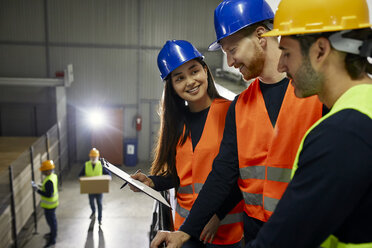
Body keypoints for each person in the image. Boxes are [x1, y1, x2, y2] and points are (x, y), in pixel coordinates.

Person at [150, 0, 326, 247]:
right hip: (257, 234)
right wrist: (186, 230)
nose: (230, 62)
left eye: (232, 50)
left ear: (261, 35)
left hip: (308, 230)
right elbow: (223, 174)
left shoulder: (316, 93)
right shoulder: (241, 106)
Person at [243, 0, 372, 247]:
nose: (281, 65)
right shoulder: (364, 111)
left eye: (287, 53)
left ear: (320, 51)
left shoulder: (342, 134)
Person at [130, 39, 244, 247]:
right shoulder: (176, 122)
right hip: (185, 231)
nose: (190, 81)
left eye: (194, 71)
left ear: (205, 70)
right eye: (179, 78)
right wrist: (151, 181)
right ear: (172, 86)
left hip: (223, 230)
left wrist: (217, 214)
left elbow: (241, 173)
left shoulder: (232, 111)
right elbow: (181, 175)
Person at [79, 148, 110, 225]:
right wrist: (81, 179)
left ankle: (100, 219)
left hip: (99, 189)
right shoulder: (86, 165)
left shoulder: (101, 165)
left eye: (95, 157)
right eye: (92, 157)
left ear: (97, 157)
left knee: (99, 203)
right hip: (90, 189)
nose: (93, 158)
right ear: (90, 157)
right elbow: (80, 175)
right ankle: (93, 212)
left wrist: (108, 178)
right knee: (91, 202)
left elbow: (108, 174)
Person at [32, 160, 59, 248]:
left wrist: (37, 190)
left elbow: (48, 194)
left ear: (48, 170)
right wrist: (41, 185)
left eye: (43, 170)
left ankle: (52, 240)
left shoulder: (48, 181)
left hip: (49, 205)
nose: (42, 172)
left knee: (51, 222)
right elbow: (48, 188)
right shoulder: (53, 176)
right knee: (52, 222)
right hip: (53, 204)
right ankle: (52, 233)